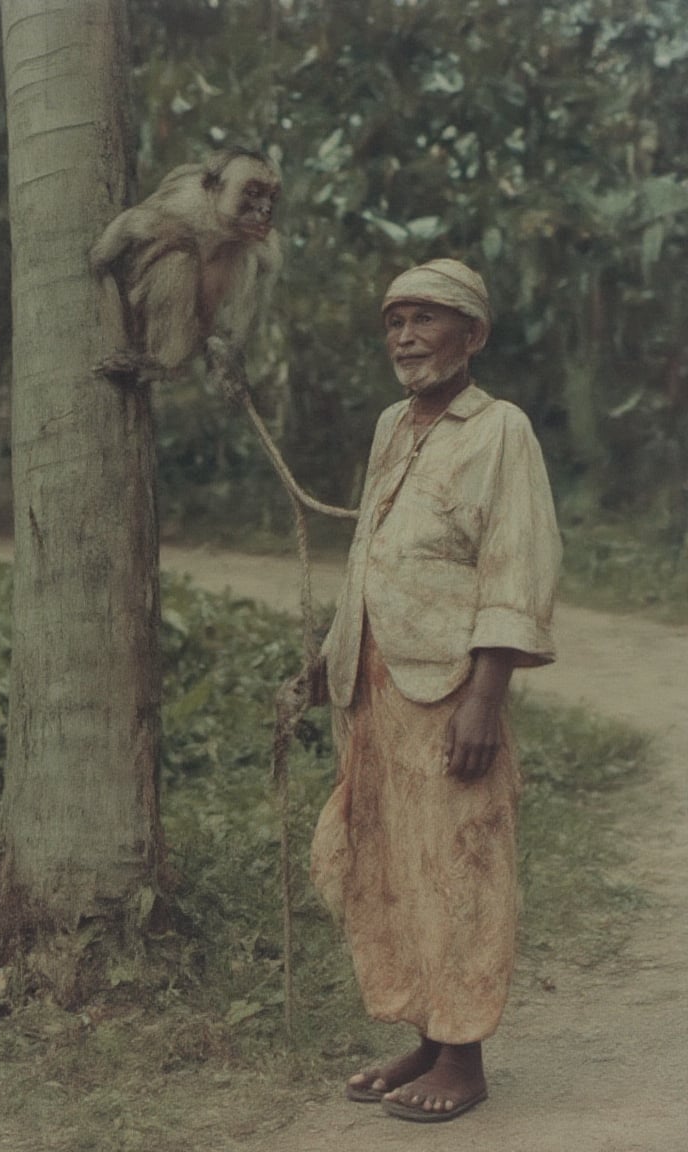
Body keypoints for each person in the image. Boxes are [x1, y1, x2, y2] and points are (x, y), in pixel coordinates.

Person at [308, 258, 561, 1123]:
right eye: (394, 322)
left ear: (474, 336)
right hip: (375, 688)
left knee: (460, 860)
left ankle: (466, 1058)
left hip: (450, 689)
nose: (406, 337)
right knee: (388, 863)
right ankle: (427, 1033)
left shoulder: (502, 430)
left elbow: (515, 563)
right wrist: (335, 651)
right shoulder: (393, 425)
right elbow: (377, 553)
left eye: (426, 319)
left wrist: (484, 697)